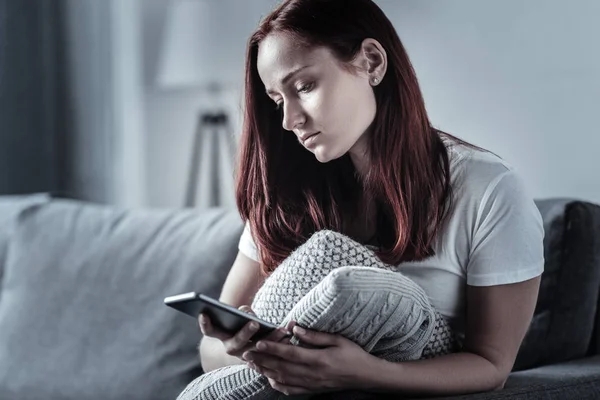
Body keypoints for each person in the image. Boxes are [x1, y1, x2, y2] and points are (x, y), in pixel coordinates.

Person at [197, 0, 544, 397]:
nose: (289, 120)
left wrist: (364, 373)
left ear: (372, 63)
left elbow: (492, 366)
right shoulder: (286, 196)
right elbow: (210, 350)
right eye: (278, 100)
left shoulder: (489, 192)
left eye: (305, 87)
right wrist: (243, 349)